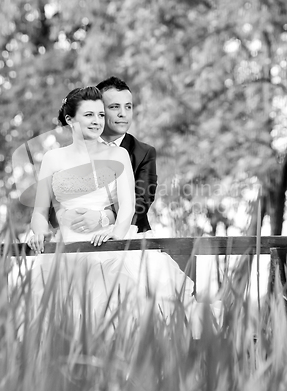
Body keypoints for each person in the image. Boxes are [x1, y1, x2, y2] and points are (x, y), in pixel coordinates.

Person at [27, 86, 205, 326]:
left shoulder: (117, 155)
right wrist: (38, 231)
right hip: (66, 248)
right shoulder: (52, 159)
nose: (97, 121)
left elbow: (128, 208)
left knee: (120, 302)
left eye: (101, 115)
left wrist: (114, 238)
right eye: (89, 115)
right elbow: (40, 211)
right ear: (70, 119)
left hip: (108, 243)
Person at [67, 77, 157, 236]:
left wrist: (103, 217)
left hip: (131, 235)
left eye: (128, 107)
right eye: (115, 107)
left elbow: (142, 202)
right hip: (78, 236)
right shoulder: (74, 152)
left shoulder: (144, 153)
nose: (123, 114)